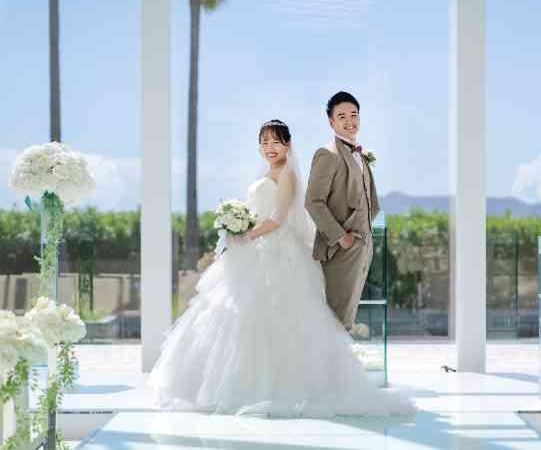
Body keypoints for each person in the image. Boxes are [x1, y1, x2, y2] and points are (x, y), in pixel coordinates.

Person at [147, 119, 415, 417]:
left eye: (276, 141)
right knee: (234, 314)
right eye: (264, 142)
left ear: (288, 145)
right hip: (256, 249)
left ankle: (276, 388)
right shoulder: (266, 173)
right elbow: (259, 212)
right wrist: (237, 225)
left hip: (279, 251)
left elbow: (278, 218)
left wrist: (246, 235)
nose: (269, 147)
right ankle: (226, 385)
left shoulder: (288, 174)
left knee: (281, 317)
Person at [306, 92, 379, 330]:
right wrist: (342, 238)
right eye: (342, 116)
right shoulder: (327, 154)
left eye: (354, 114)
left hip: (362, 245)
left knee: (347, 317)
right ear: (331, 122)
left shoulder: (360, 155)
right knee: (335, 318)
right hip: (341, 249)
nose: (350, 120)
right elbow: (313, 201)